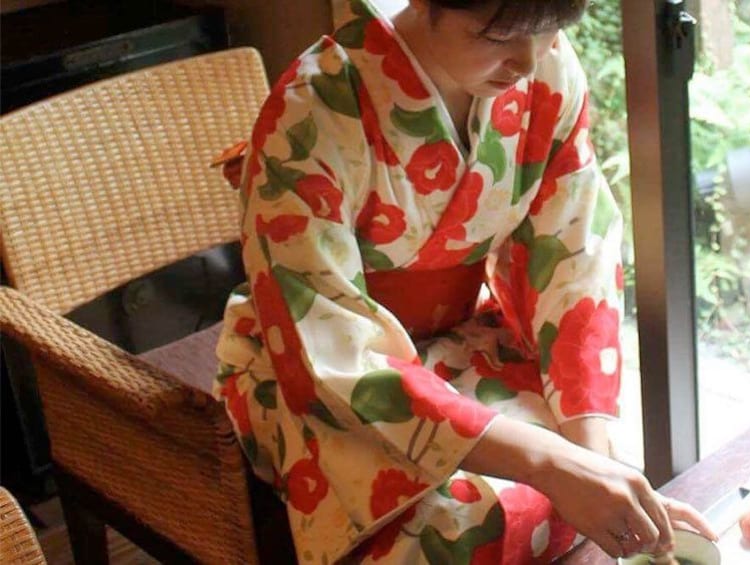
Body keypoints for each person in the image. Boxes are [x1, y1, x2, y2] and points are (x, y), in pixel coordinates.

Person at [213, 0, 715, 562]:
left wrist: (590, 463)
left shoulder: (548, 69)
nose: (530, 59)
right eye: (499, 36)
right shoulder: (310, 113)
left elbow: (574, 257)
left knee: (585, 480)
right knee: (458, 524)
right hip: (320, 363)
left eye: (552, 29)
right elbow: (326, 347)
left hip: (460, 332)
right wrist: (549, 463)